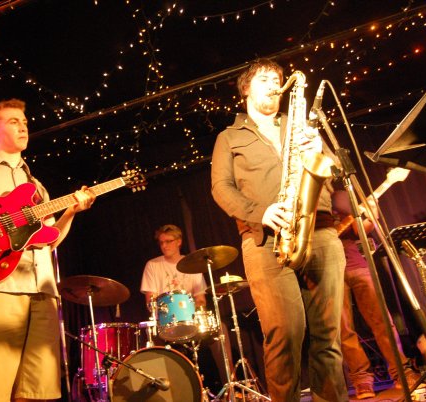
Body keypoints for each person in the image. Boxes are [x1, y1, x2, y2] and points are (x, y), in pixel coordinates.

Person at [211, 58, 347, 401]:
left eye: (278, 79)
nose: (274, 85)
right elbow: (221, 188)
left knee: (328, 336)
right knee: (285, 334)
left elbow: (334, 171)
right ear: (245, 89)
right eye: (265, 79)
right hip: (265, 241)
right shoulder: (228, 138)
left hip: (320, 230)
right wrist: (260, 212)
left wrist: (319, 150)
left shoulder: (302, 126)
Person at [0, 98, 96, 402]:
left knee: (37, 391)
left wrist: (71, 212)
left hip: (43, 291)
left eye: (25, 122)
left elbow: (50, 240)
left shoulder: (37, 186)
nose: (23, 127)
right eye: (13, 121)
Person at [332, 189, 421, 399]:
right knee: (344, 329)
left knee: (383, 321)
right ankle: (361, 379)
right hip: (329, 271)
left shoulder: (341, 195)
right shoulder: (302, 199)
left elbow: (359, 230)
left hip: (356, 265)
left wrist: (372, 215)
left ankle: (401, 371)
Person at [140, 224, 231, 389]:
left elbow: (201, 299)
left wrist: (190, 313)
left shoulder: (194, 264)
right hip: (165, 323)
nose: (164, 246)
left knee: (221, 329)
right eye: (161, 242)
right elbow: (150, 302)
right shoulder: (152, 265)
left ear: (179, 241)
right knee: (150, 340)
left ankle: (230, 385)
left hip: (191, 320)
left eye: (168, 241)